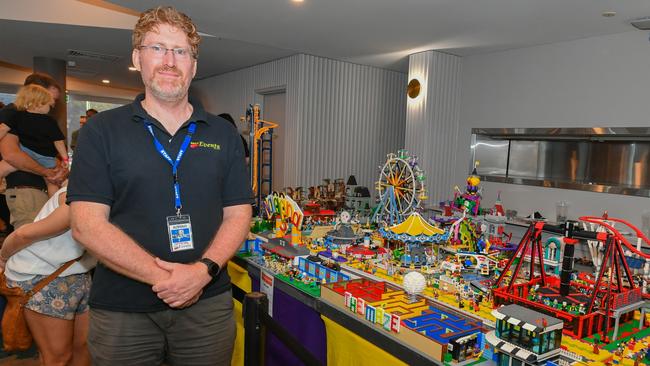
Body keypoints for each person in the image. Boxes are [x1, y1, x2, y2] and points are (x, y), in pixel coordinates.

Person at [68, 6, 252, 366]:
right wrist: (166, 279)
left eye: (180, 51)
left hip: (207, 305)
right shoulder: (101, 131)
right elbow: (86, 224)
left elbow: (238, 213)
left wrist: (201, 273)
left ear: (193, 65)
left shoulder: (223, 134)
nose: (169, 61)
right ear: (137, 58)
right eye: (157, 48)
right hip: (123, 310)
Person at [0, 183, 95, 366]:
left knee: (84, 347)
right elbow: (23, 235)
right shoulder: (76, 198)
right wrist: (2, 259)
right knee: (58, 358)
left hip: (80, 273)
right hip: (42, 276)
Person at [0, 73, 68, 230]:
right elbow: (12, 155)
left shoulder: (45, 119)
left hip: (40, 186)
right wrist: (46, 171)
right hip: (25, 189)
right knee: (29, 239)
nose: (52, 105)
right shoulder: (14, 111)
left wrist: (58, 166)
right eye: (50, 99)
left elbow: (52, 147)